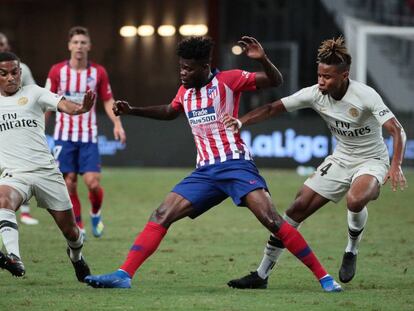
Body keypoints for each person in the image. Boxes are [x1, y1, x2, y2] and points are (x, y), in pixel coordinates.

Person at [84, 36, 342, 292]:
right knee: (161, 214)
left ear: (204, 67)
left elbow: (275, 81)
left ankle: (324, 277)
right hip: (205, 171)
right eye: (181, 67)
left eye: (188, 68)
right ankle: (124, 274)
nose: (182, 73)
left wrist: (262, 59)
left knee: (272, 220)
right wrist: (132, 110)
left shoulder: (228, 80)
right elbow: (170, 111)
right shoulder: (185, 90)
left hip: (235, 165)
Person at [223, 36, 407, 289]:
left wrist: (395, 164)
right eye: (319, 75)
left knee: (355, 200)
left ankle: (351, 249)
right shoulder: (314, 93)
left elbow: (397, 130)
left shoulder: (365, 95)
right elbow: (273, 108)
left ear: (344, 75)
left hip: (371, 159)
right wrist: (241, 122)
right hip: (341, 157)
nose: (321, 81)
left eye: (328, 77)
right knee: (296, 208)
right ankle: (261, 274)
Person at [0, 51, 94, 282]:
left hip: (46, 173)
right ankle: (14, 258)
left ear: (21, 73)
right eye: (4, 74)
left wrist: (80, 108)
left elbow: (64, 105)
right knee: (2, 201)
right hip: (15, 175)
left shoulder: (34, 93)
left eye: (15, 72)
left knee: (72, 232)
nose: (11, 77)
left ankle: (76, 256)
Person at [45, 26, 126, 239]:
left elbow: (108, 100)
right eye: (75, 42)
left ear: (89, 46)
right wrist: (39, 129)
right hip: (64, 136)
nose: (79, 46)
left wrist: (117, 124)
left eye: (83, 42)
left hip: (88, 136)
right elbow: (46, 101)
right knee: (69, 182)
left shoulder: (98, 72)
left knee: (93, 182)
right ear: (69, 45)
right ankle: (79, 224)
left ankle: (96, 213)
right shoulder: (57, 71)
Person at [0, 31, 39, 225]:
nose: (1, 47)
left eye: (3, 44)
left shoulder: (21, 69)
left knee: (21, 169)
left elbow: (34, 95)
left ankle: (24, 212)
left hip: (14, 127)